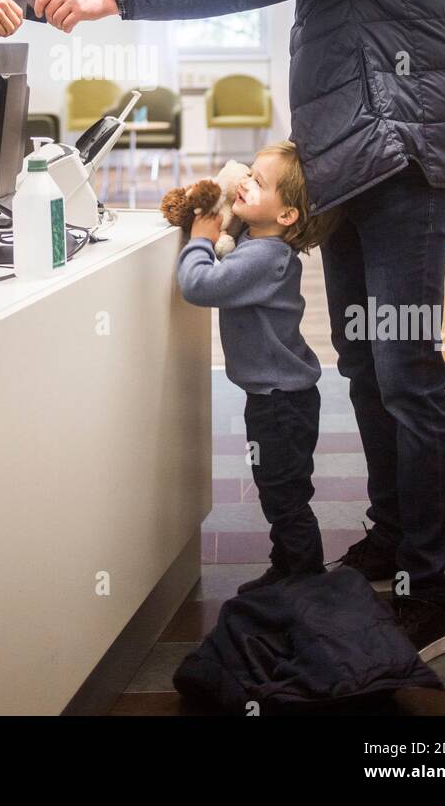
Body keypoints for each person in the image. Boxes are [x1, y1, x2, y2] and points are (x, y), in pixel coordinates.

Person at [35, 0, 445, 663]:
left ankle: (430, 594)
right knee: (363, 363)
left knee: (405, 373)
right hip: (356, 172)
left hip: (404, 167)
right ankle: (391, 547)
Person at [178, 142, 337, 588]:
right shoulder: (255, 241)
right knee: (279, 492)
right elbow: (232, 237)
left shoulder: (264, 259)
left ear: (287, 216)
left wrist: (199, 241)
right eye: (249, 173)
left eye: (258, 183)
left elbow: (199, 285)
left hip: (279, 405)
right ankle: (288, 568)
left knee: (284, 497)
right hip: (278, 397)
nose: (245, 182)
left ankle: (305, 582)